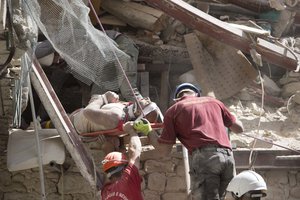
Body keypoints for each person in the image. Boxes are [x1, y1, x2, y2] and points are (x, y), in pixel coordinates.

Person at [144, 82, 244, 200]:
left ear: (177, 99)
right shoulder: (215, 102)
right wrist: (231, 116)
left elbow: (164, 150)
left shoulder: (174, 110)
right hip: (228, 158)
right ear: (197, 94)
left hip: (206, 160)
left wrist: (148, 131)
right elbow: (239, 129)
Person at [42, 91, 162, 154]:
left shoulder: (116, 117)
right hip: (77, 117)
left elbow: (88, 112)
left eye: (147, 103)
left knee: (49, 126)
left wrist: (103, 97)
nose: (147, 98)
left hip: (72, 123)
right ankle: (41, 124)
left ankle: (39, 125)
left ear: (138, 113)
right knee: (47, 124)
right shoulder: (126, 113)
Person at [100, 120, 149, 200]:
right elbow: (134, 151)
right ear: (124, 170)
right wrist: (131, 131)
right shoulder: (128, 180)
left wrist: (107, 146)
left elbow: (108, 172)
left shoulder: (105, 192)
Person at [91, 30, 140, 102]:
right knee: (98, 93)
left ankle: (145, 109)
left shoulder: (85, 37)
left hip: (121, 44)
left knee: (128, 90)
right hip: (108, 54)